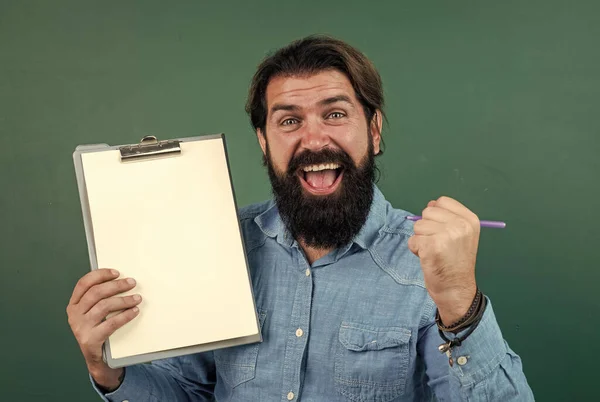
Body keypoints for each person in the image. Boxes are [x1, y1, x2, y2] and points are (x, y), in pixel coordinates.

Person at [67, 35, 534, 401]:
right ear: (264, 142)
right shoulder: (217, 244)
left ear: (373, 131)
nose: (313, 139)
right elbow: (188, 394)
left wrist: (460, 306)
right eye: (289, 120)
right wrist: (108, 370)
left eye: (335, 113)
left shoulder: (429, 265)